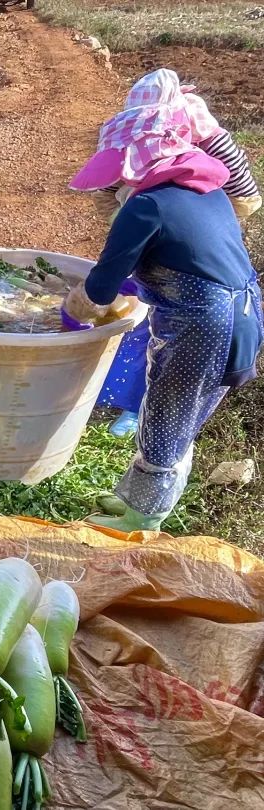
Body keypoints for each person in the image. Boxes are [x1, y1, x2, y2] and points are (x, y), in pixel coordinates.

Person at [64, 95, 263, 533]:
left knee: (168, 416)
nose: (114, 184)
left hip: (202, 324)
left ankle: (142, 519)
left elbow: (100, 287)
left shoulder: (145, 205)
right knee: (182, 414)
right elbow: (189, 257)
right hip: (244, 315)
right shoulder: (204, 190)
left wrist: (69, 311)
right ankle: (135, 495)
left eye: (118, 173)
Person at [86, 69, 261, 438]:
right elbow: (108, 187)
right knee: (154, 341)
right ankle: (131, 406)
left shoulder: (204, 151)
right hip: (225, 293)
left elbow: (245, 197)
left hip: (200, 280)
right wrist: (131, 228)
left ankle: (139, 413)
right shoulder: (143, 165)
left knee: (164, 358)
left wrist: (163, 222)